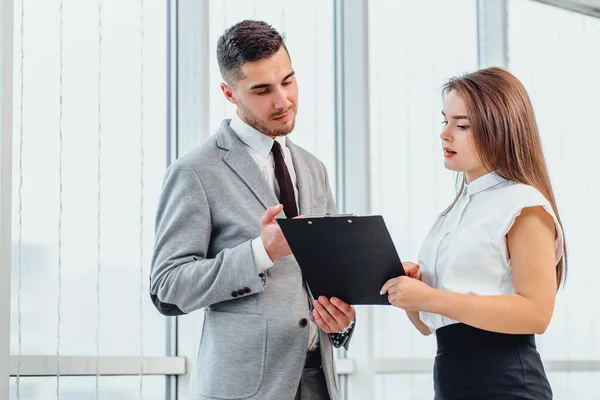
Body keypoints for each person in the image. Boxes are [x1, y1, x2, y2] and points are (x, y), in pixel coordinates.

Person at [149, 20, 356, 400]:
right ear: (229, 92)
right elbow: (166, 288)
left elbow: (326, 276)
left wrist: (339, 322)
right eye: (262, 90)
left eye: (288, 81)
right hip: (244, 388)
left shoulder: (313, 168)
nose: (283, 101)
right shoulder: (195, 171)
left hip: (319, 381)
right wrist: (261, 253)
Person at [381, 67, 566, 399]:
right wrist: (413, 294)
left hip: (507, 387)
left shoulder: (524, 205)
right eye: (445, 121)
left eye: (462, 125)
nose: (446, 134)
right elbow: (430, 325)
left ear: (500, 131)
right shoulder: (453, 214)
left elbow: (537, 313)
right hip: (452, 384)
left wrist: (430, 297)